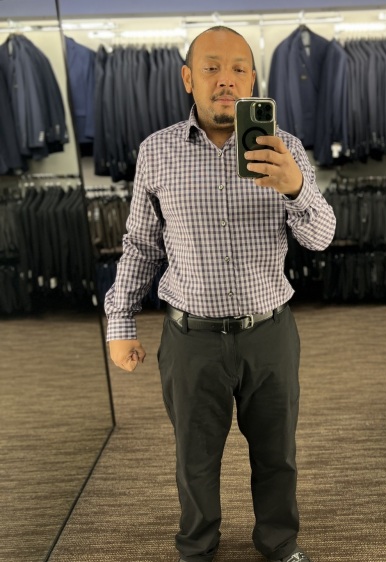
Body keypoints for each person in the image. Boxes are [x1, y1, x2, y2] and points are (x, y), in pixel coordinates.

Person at [104, 26, 336, 562]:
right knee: (195, 459)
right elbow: (140, 244)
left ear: (252, 81)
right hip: (191, 339)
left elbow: (321, 238)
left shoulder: (287, 149)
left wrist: (296, 189)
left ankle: (279, 542)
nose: (225, 80)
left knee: (277, 454)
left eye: (238, 69)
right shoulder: (157, 151)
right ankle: (197, 547)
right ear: (189, 78)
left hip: (269, 335)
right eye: (211, 68)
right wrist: (120, 322)